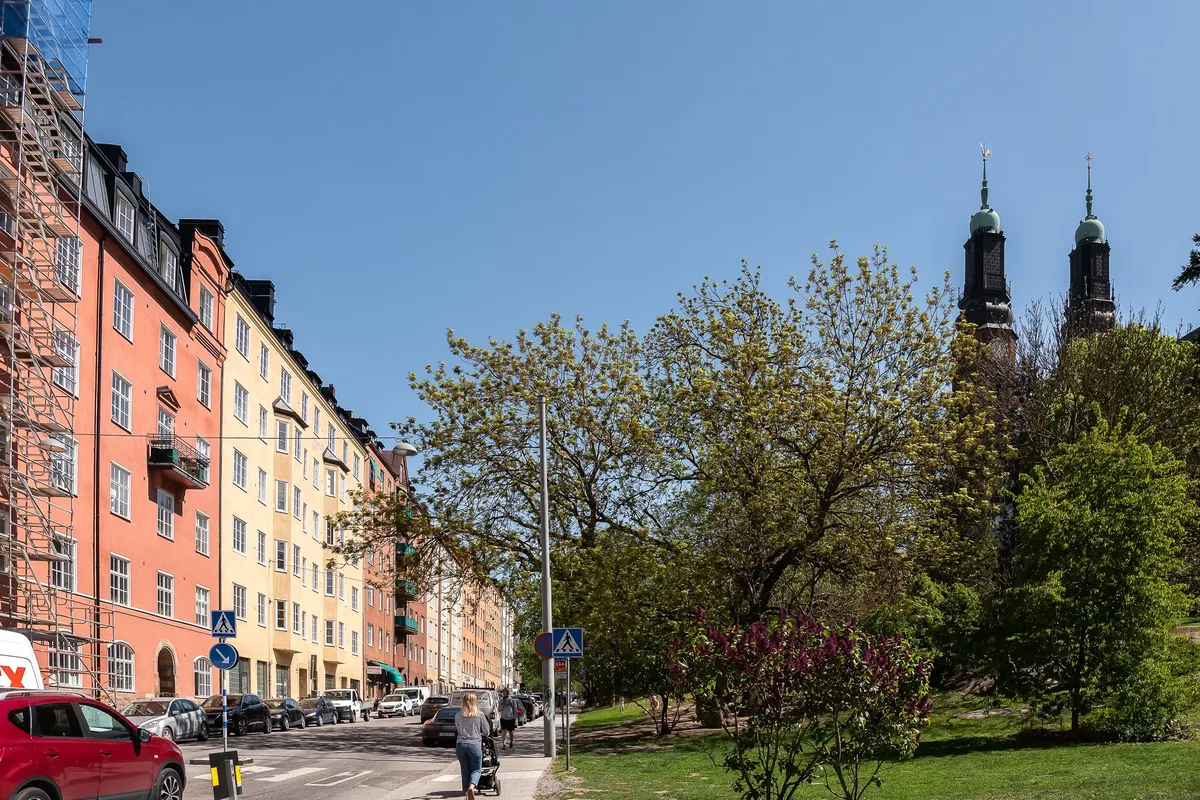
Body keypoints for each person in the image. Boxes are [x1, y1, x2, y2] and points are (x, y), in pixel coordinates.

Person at [455, 693, 490, 800]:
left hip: (460, 745)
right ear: (475, 702)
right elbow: (486, 731)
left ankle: (467, 794)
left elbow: (458, 729)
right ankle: (472, 787)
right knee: (476, 770)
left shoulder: (458, 715)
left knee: (465, 770)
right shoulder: (479, 715)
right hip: (474, 744)